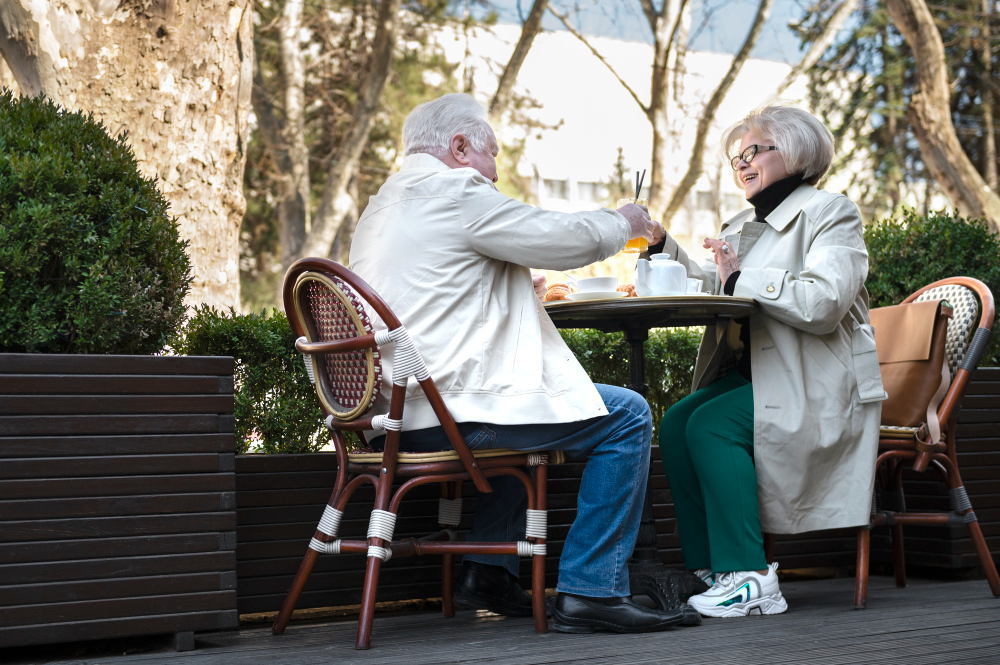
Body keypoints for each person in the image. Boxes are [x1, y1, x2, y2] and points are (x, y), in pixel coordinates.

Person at [349, 93, 681, 633]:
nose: (495, 172)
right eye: (492, 155)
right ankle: (592, 591)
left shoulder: (385, 203)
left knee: (524, 409)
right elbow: (558, 238)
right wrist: (623, 222)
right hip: (448, 414)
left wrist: (504, 284)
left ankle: (489, 572)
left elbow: (431, 288)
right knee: (628, 414)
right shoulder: (455, 190)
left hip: (390, 416)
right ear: (459, 147)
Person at [654, 104, 885, 618]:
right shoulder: (742, 223)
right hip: (763, 377)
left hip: (818, 384)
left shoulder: (832, 213)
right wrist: (660, 244)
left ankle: (753, 577)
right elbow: (719, 287)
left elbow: (824, 302)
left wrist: (743, 280)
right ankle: (715, 569)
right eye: (737, 155)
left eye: (754, 150)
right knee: (675, 424)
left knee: (710, 426)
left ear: (795, 150)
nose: (742, 162)